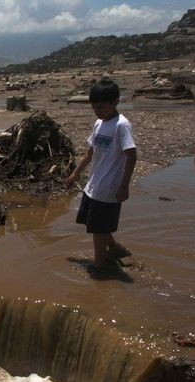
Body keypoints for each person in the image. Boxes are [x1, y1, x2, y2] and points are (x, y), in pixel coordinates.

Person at [64, 79, 137, 273]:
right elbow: (90, 152)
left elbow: (132, 155)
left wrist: (124, 185)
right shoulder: (98, 124)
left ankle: (99, 265)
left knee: (98, 228)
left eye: (102, 106)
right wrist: (75, 173)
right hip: (94, 184)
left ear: (115, 102)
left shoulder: (121, 125)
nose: (98, 110)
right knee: (94, 222)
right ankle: (113, 248)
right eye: (94, 107)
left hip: (109, 187)